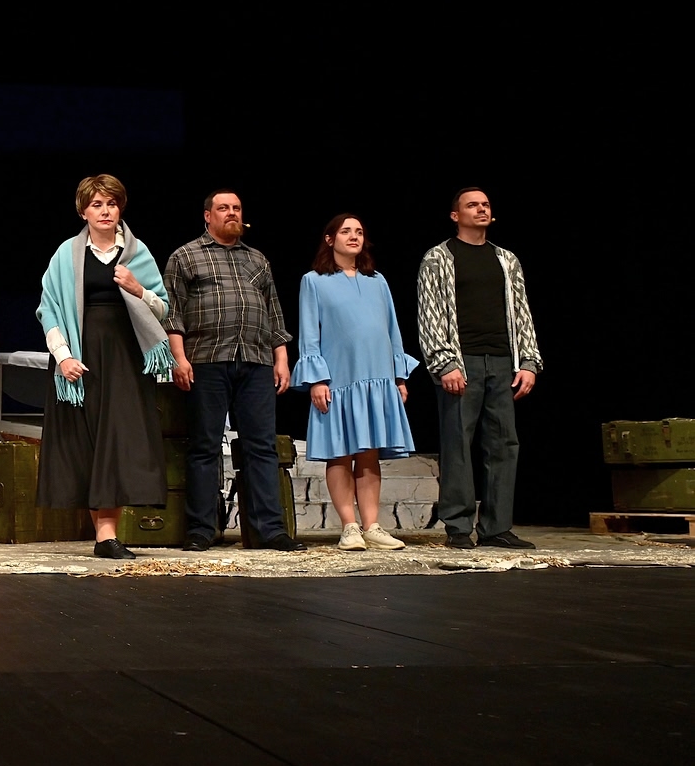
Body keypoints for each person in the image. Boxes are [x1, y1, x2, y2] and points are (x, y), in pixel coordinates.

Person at [36, 175, 175, 561]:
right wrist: (63, 356)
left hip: (124, 359)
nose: (105, 211)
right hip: (81, 358)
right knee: (88, 444)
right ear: (83, 211)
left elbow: (163, 308)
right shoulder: (66, 254)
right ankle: (104, 536)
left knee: (118, 441)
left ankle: (106, 535)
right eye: (97, 204)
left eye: (111, 204)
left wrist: (137, 288)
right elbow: (49, 309)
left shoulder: (137, 252)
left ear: (120, 209)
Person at [164, 189, 306, 552]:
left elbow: (274, 314)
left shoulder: (257, 259)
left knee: (261, 447)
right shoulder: (186, 256)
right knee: (205, 446)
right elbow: (172, 313)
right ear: (207, 216)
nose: (232, 213)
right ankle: (201, 529)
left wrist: (281, 359)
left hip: (256, 362)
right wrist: (179, 358)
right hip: (207, 360)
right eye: (224, 208)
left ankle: (269, 530)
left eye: (237, 208)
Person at [417, 187, 543, 549]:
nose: (481, 209)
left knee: (504, 444)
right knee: (458, 444)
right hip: (462, 362)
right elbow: (429, 314)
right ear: (456, 215)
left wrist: (529, 361)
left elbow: (522, 312)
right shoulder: (438, 258)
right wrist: (444, 363)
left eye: (485, 204)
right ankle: (458, 527)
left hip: (503, 362)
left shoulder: (506, 259)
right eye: (472, 205)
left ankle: (496, 527)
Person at [291, 215, 418, 551]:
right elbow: (309, 333)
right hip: (340, 379)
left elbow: (392, 329)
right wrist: (317, 379)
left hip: (377, 377)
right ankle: (349, 526)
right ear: (330, 239)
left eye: (359, 232)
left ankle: (372, 525)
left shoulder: (377, 281)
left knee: (369, 453)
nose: (354, 236)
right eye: (346, 231)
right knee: (340, 453)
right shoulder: (314, 281)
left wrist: (398, 376)